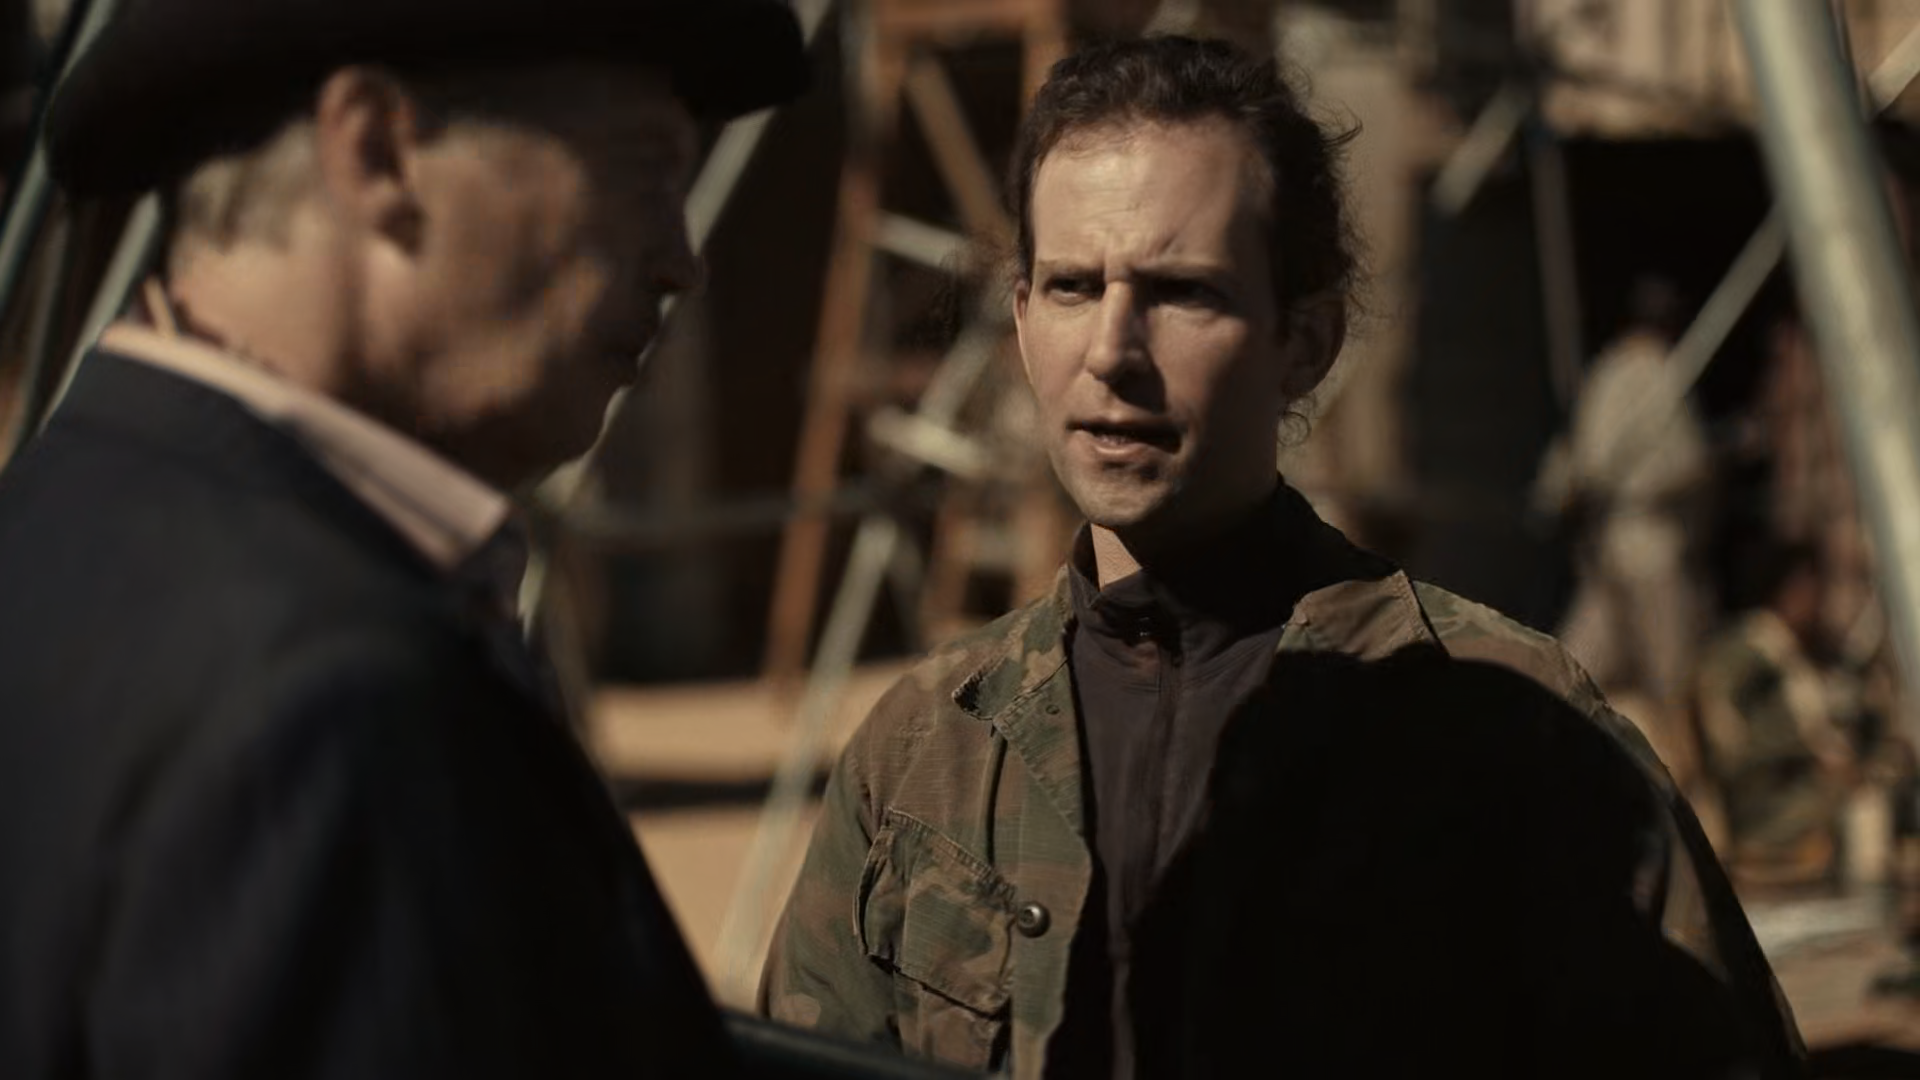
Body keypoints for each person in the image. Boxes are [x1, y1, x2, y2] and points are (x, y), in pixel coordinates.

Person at [759, 35, 1801, 1080]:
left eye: (1181, 292)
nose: (1113, 352)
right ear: (1023, 321)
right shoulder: (927, 753)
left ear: (1305, 341)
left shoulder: (1511, 730)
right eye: (1073, 286)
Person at [0, 2, 806, 1077]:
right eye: (642, 172)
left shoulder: (58, 519)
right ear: (379, 151)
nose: (680, 261)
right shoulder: (324, 704)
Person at [1536, 275, 1714, 746]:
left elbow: (1568, 468)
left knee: (1575, 672)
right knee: (1672, 685)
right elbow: (1687, 462)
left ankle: (1546, 738)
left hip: (1608, 548)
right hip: (1649, 546)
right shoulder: (1657, 367)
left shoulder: (1604, 370)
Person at [1695, 542, 1861, 886]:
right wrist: (1803, 749)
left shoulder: (1807, 650)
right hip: (1769, 801)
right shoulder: (1751, 651)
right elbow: (1722, 731)